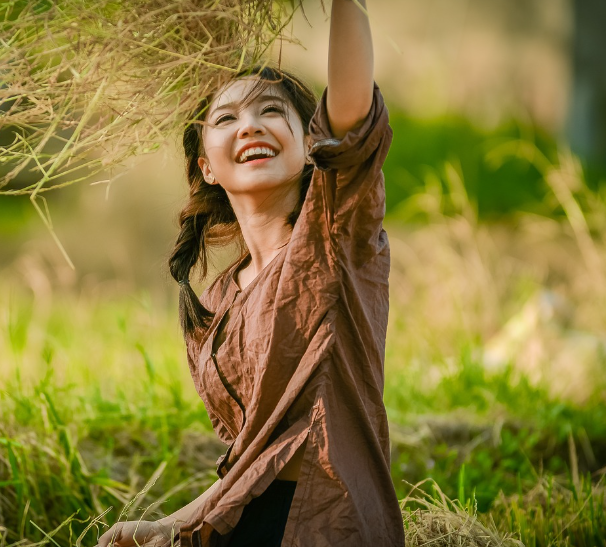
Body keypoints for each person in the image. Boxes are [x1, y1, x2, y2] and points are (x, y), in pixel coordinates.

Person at [96, 0, 404, 545]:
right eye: (226, 118)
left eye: (271, 110)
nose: (251, 126)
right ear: (206, 167)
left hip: (326, 526)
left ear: (308, 146)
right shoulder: (217, 302)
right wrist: (165, 525)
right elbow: (251, 463)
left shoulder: (334, 235)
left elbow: (353, 112)